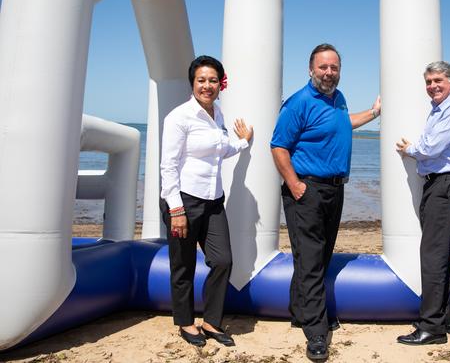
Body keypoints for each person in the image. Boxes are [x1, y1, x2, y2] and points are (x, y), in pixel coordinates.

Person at [270, 43, 380, 361]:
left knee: (318, 256)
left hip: (334, 189)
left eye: (334, 67)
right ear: (310, 69)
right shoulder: (299, 102)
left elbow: (345, 123)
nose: (329, 72)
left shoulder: (338, 100)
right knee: (310, 259)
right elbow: (278, 146)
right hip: (307, 190)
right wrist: (294, 184)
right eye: (323, 67)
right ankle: (317, 333)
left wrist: (374, 112)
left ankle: (300, 312)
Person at [159, 55, 253, 347]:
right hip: (183, 202)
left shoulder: (219, 115)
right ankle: (186, 324)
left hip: (213, 202)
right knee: (183, 265)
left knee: (223, 260)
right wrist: (176, 210)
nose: (207, 85)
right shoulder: (179, 117)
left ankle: (211, 322)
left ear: (220, 84)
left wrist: (243, 142)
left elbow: (220, 151)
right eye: (202, 80)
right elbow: (168, 167)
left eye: (213, 80)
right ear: (193, 83)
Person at [395, 61, 450, 345]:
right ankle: (446, 318)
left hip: (447, 185)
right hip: (442, 184)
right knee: (443, 254)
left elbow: (431, 148)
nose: (433, 86)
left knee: (432, 255)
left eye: (438, 80)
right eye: (428, 82)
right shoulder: (441, 108)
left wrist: (409, 150)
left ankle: (431, 327)